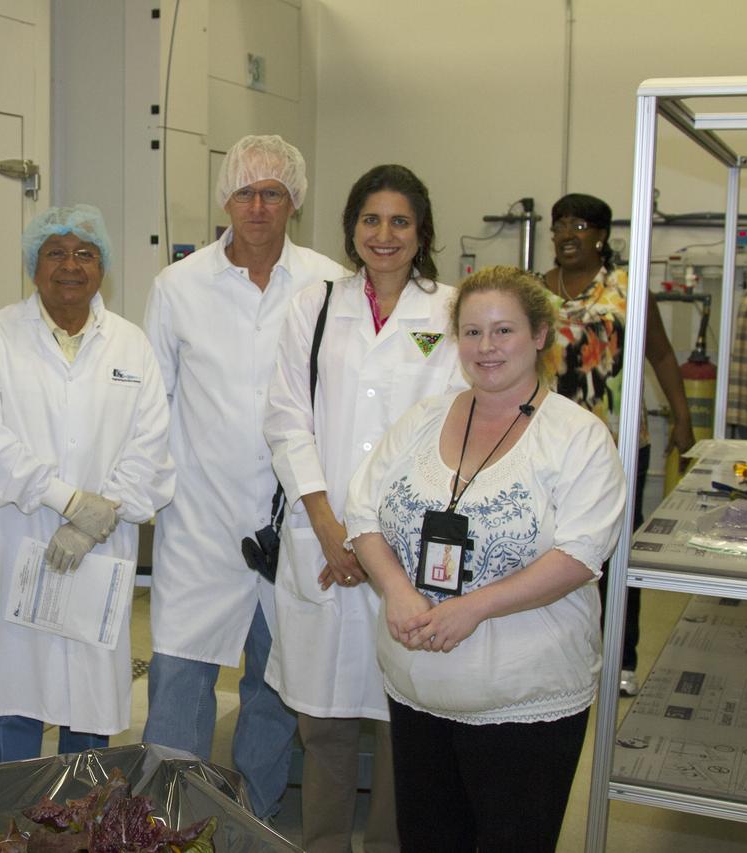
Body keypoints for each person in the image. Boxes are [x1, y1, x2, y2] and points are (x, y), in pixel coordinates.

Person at [347, 266, 627, 853]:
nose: (486, 348)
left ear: (540, 336)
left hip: (525, 704)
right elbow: (363, 514)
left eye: (503, 331)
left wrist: (472, 608)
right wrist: (397, 590)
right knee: (426, 839)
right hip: (419, 689)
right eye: (472, 333)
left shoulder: (578, 438)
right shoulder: (423, 420)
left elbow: (579, 554)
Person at [142, 134, 349, 819]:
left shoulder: (326, 284)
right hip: (198, 521)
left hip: (292, 526)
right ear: (225, 199)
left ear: (295, 202)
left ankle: (250, 822)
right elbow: (154, 401)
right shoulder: (179, 286)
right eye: (245, 192)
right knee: (178, 679)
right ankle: (166, 823)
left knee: (272, 687)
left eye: (274, 193)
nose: (258, 207)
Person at [263, 164, 464, 852]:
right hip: (321, 538)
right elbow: (288, 419)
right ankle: (322, 843)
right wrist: (328, 527)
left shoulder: (451, 311)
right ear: (352, 227)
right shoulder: (314, 304)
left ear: (421, 231)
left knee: (401, 716)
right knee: (323, 719)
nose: (384, 235)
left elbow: (454, 429)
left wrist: (376, 538)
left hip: (406, 547)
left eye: (400, 221)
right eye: (371, 219)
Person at [0, 204, 174, 763]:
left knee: (89, 708)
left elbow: (150, 445)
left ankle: (82, 830)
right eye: (55, 252)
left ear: (102, 268)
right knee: (13, 698)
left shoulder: (131, 346)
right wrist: (73, 503)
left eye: (85, 253)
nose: (70, 265)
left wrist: (103, 513)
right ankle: (10, 837)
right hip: (16, 540)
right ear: (33, 265)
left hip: (98, 550)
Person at [542, 192, 694, 696]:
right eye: (560, 224)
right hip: (549, 446)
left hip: (619, 443)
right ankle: (560, 652)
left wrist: (683, 418)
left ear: (602, 235)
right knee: (552, 549)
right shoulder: (537, 291)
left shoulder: (628, 290)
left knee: (613, 554)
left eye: (579, 225)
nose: (568, 234)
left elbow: (664, 357)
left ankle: (621, 659)